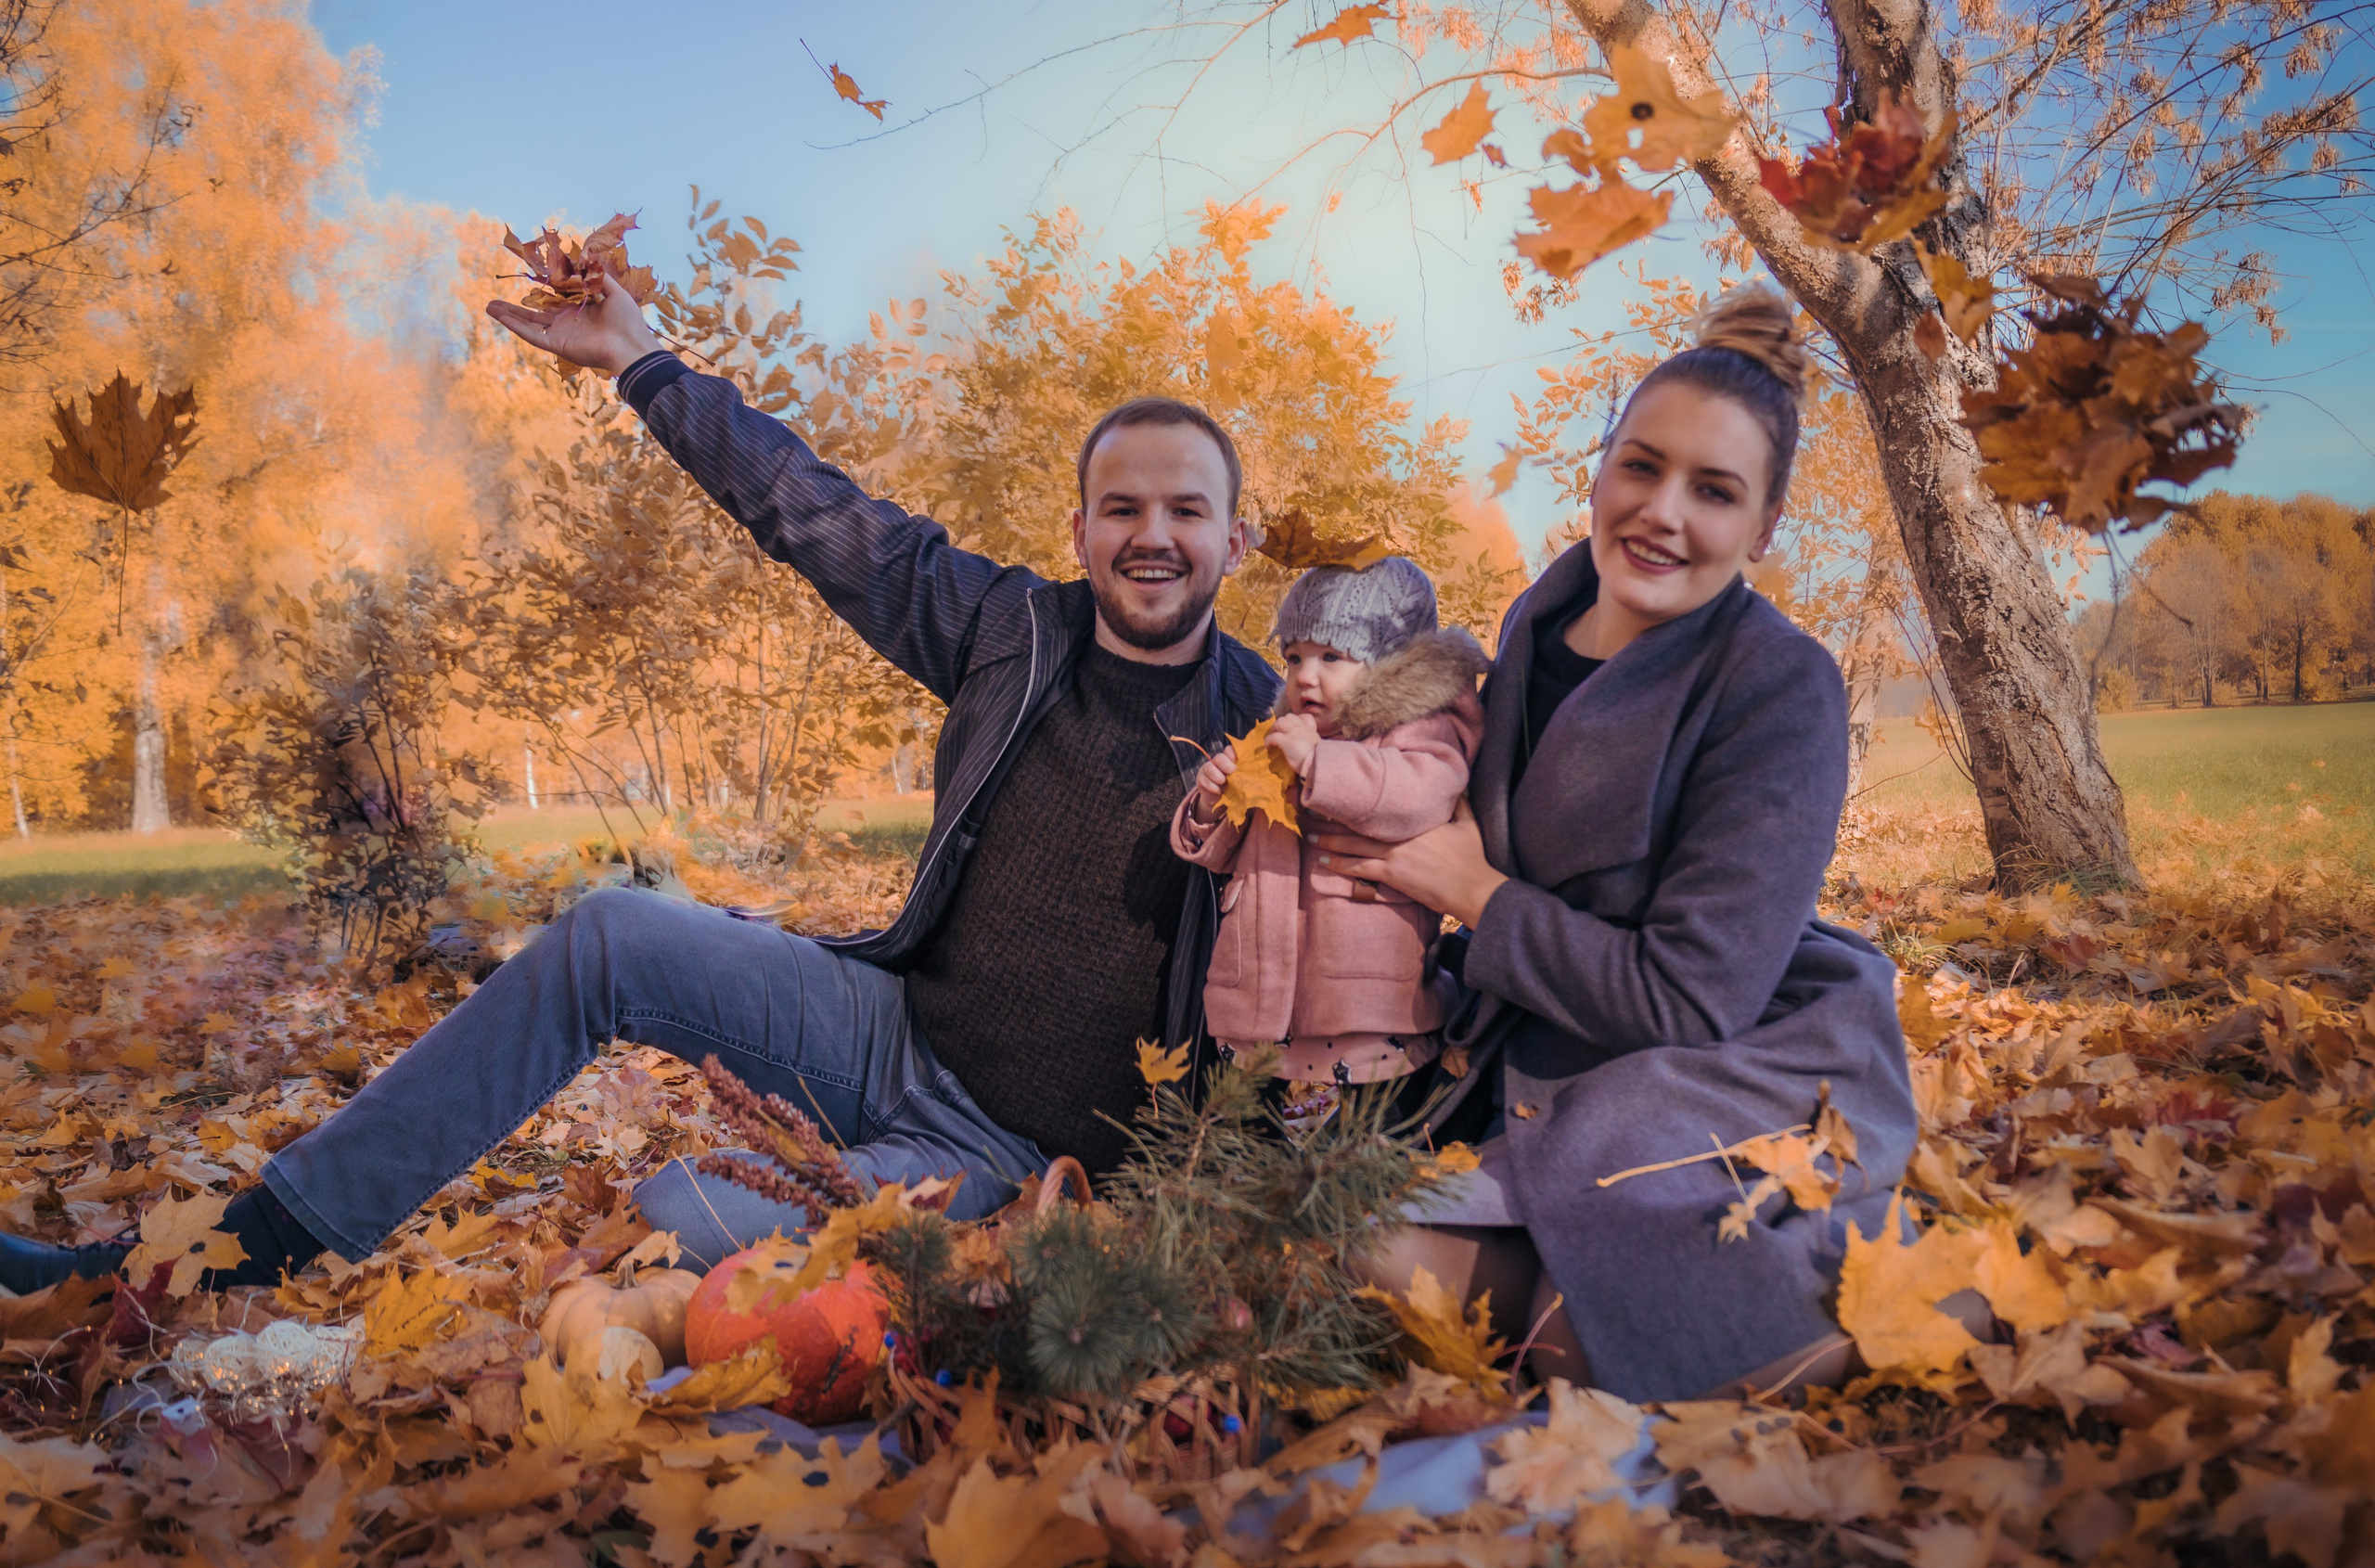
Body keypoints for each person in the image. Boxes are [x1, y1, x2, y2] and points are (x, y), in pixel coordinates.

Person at [0, 267, 1277, 1294]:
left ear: (1234, 537)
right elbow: (813, 511)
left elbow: (1351, 973)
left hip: (1013, 1154)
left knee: (679, 1219)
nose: (1151, 536)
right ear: (1079, 529)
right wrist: (639, 360)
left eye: (1184, 511)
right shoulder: (1012, 629)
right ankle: (248, 1244)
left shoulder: (1274, 736)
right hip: (890, 1029)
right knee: (612, 931)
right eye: (1121, 508)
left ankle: (851, 1206)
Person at [1320, 289, 1917, 1403]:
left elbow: (1694, 996)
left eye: (1714, 491)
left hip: (1714, 1055)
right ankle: (1593, 1292)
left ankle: (1856, 1308)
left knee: (1577, 1328)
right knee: (1336, 1238)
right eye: (1640, 467)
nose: (1662, 512)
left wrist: (1481, 898)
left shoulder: (1777, 683)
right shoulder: (1527, 631)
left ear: (1763, 528)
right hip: (1530, 1045)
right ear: (1598, 473)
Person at [1172, 557, 1484, 1119]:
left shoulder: (1419, 732)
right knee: (1248, 1147)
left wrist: (1321, 765)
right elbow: (1222, 855)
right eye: (1293, 657)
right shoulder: (1281, 738)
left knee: (1351, 1151)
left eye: (1331, 657)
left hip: (1367, 1025)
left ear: (1390, 667)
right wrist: (1212, 804)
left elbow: (1422, 796)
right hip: (1261, 1016)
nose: (1304, 677)